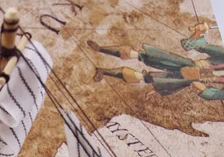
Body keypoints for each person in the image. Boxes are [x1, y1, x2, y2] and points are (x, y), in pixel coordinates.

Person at [88, 22, 224, 100]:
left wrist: (200, 87)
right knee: (143, 56)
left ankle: (103, 71)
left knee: (146, 77)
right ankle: (101, 49)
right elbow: (193, 45)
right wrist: (198, 32)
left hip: (192, 78)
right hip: (189, 65)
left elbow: (216, 95)